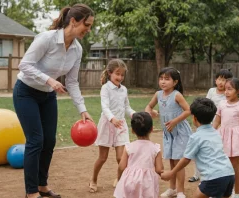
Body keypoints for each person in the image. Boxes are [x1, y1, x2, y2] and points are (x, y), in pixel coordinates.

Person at [12, 4, 94, 198]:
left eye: (90, 26)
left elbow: (72, 82)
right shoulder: (47, 39)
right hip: (26, 92)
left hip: (48, 95)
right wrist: (49, 80)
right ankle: (31, 191)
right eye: (87, 25)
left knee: (49, 140)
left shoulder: (77, 49)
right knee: (36, 140)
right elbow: (24, 65)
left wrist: (82, 109)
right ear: (73, 21)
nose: (88, 30)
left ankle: (42, 185)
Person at [161, 97, 235, 198]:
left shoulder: (195, 137)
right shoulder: (216, 133)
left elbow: (186, 159)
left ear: (194, 118)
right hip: (229, 174)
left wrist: (171, 173)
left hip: (213, 177)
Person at [89, 59, 136, 193]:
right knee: (102, 158)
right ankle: (93, 179)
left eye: (122, 75)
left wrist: (134, 115)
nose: (120, 77)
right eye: (117, 74)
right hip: (107, 125)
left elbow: (127, 107)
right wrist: (112, 118)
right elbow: (105, 106)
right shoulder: (105, 88)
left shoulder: (124, 90)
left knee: (121, 158)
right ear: (110, 73)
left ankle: (119, 179)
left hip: (121, 126)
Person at [145, 67, 192, 198]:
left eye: (167, 79)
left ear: (175, 82)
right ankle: (172, 189)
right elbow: (149, 106)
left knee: (178, 162)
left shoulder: (177, 95)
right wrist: (151, 112)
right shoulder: (158, 94)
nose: (163, 82)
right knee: (171, 161)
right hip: (168, 133)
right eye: (161, 78)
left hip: (179, 132)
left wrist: (174, 121)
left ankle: (181, 191)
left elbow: (188, 110)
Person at [189, 69, 233, 183]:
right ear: (215, 80)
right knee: (200, 149)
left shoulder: (228, 94)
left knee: (215, 151)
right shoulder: (211, 91)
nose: (221, 82)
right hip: (206, 124)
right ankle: (196, 174)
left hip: (219, 126)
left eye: (224, 80)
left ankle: (217, 173)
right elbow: (205, 105)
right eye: (219, 79)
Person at [113, 112, 163, 198]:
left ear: (132, 130)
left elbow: (121, 167)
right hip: (147, 182)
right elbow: (159, 169)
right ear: (151, 129)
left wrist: (119, 178)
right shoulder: (155, 148)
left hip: (130, 180)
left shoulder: (129, 147)